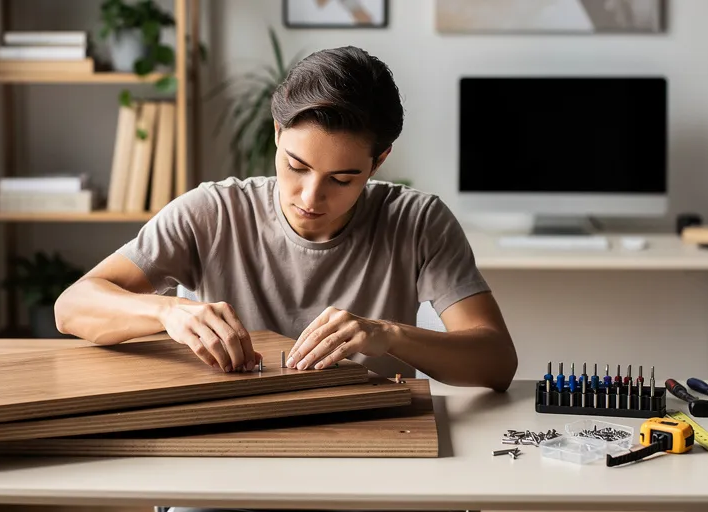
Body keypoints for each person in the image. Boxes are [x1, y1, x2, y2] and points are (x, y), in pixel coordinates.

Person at [54, 45, 517, 391]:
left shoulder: (418, 222)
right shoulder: (211, 212)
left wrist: (389, 335)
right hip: (228, 445)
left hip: (371, 450)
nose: (311, 197)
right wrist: (168, 311)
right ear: (277, 133)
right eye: (296, 167)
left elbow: (498, 363)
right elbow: (71, 307)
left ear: (378, 162)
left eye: (342, 178)